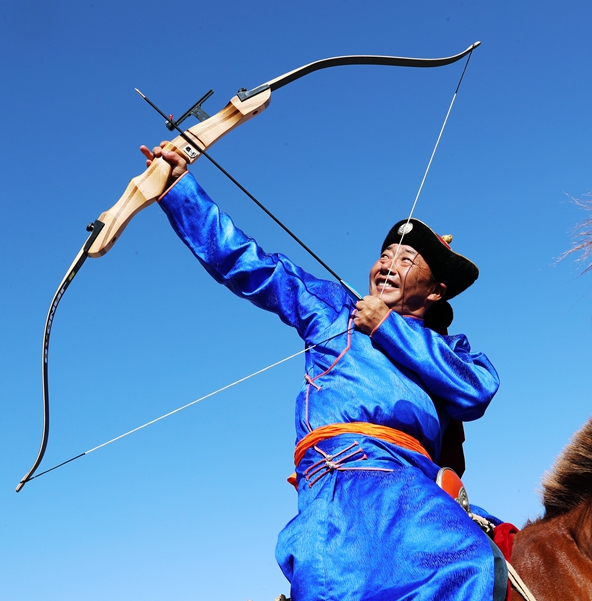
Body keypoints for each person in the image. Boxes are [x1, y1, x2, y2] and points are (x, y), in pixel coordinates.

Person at [141, 143, 506, 600]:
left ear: (435, 292)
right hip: (339, 487)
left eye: (407, 260)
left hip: (417, 492)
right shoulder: (334, 310)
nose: (389, 265)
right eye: (385, 255)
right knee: (384, 574)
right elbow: (249, 263)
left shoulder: (452, 351)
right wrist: (178, 189)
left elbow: (476, 392)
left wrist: (387, 327)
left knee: (488, 557)